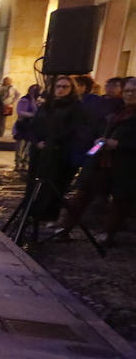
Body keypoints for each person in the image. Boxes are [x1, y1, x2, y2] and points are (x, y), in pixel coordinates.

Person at [46, 77, 136, 246]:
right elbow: (98, 129)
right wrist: (94, 148)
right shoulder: (116, 110)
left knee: (119, 201)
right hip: (99, 160)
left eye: (133, 91)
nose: (129, 94)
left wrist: (120, 145)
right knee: (82, 194)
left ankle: (108, 233)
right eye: (127, 91)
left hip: (125, 164)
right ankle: (64, 228)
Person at [31, 76, 88, 221]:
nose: (61, 89)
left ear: (71, 89)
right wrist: (37, 141)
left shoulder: (76, 107)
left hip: (60, 153)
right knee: (35, 183)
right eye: (58, 86)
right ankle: (32, 212)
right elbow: (36, 124)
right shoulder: (47, 105)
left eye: (65, 87)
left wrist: (53, 141)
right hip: (41, 151)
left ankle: (48, 216)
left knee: (54, 186)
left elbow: (74, 130)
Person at [13, 83, 42, 171]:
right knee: (20, 146)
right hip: (22, 126)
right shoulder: (24, 100)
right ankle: (18, 163)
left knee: (28, 146)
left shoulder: (39, 100)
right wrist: (33, 114)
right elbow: (20, 112)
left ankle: (24, 163)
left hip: (32, 126)